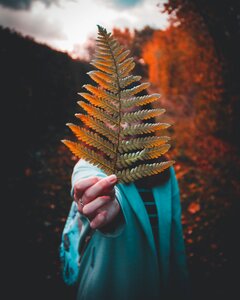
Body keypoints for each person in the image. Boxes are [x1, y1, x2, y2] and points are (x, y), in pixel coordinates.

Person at [59, 156, 190, 300]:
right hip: (104, 287)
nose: (121, 131)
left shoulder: (164, 169)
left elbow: (175, 237)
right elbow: (87, 176)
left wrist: (181, 287)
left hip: (158, 286)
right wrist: (107, 203)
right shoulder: (90, 162)